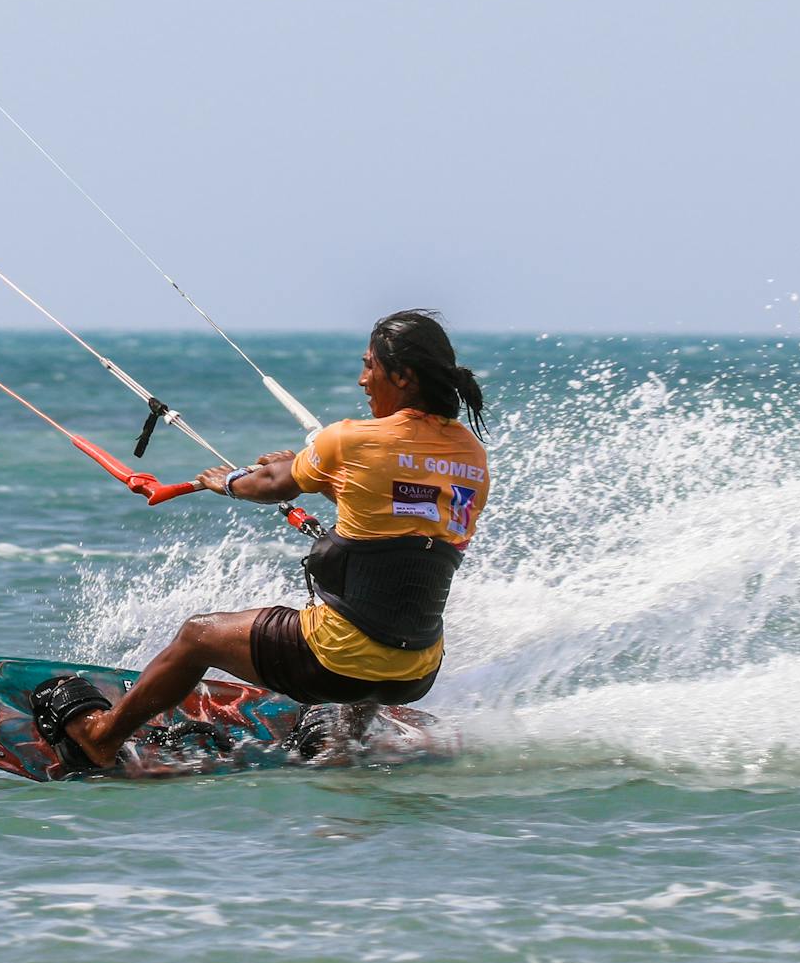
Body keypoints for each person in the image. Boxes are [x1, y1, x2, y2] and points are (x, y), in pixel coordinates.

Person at [34, 308, 490, 771]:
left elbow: (272, 484)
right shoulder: (471, 455)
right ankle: (342, 745)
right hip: (415, 671)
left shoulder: (352, 439)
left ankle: (101, 737)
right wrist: (311, 470)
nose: (362, 380)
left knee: (198, 635)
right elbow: (397, 513)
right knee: (380, 611)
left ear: (404, 376)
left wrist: (228, 482)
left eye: (369, 366)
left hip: (336, 663)